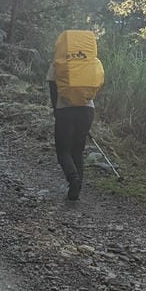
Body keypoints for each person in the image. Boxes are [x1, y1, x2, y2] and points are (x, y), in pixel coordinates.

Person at [46, 57, 95, 201]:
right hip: (87, 109)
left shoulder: (58, 62)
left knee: (63, 150)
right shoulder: (88, 61)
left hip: (65, 109)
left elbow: (53, 88)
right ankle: (76, 190)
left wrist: (56, 110)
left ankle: (73, 179)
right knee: (78, 150)